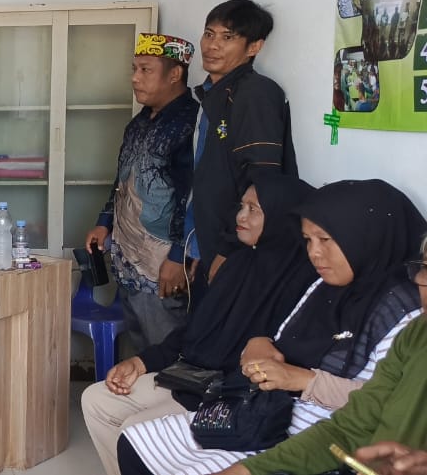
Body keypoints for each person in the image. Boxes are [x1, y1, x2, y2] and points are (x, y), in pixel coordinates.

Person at [118, 179, 425, 475]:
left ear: (365, 237)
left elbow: (375, 406)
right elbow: (270, 340)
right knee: (135, 445)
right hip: (267, 409)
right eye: (308, 240)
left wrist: (298, 378)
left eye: (325, 240)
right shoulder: (320, 287)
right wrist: (260, 343)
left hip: (310, 422)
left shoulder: (403, 313)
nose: (314, 253)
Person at [82, 175, 316, 475]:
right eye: (242, 206)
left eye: (253, 210)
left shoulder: (302, 282)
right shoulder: (240, 263)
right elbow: (195, 330)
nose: (240, 217)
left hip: (229, 395)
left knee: (132, 428)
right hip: (193, 379)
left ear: (282, 216)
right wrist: (141, 363)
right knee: (96, 400)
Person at [211, 237, 427, 475]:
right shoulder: (416, 335)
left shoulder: (398, 311)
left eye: (326, 239)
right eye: (426, 268)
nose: (314, 252)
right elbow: (347, 430)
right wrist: (246, 471)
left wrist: (304, 380)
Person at [85, 33, 199, 349]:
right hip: (128, 255)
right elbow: (122, 179)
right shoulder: (139, 123)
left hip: (162, 263)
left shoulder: (190, 125)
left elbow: (194, 197)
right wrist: (104, 222)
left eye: (146, 70)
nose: (135, 78)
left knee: (165, 351)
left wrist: (178, 258)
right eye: (134, 69)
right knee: (140, 347)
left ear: (175, 74)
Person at [186, 0, 298, 288]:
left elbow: (262, 184)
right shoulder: (214, 94)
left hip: (238, 252)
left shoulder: (255, 94)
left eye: (227, 37)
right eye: (209, 34)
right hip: (213, 243)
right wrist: (199, 246)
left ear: (254, 47)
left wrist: (227, 250)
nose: (212, 45)